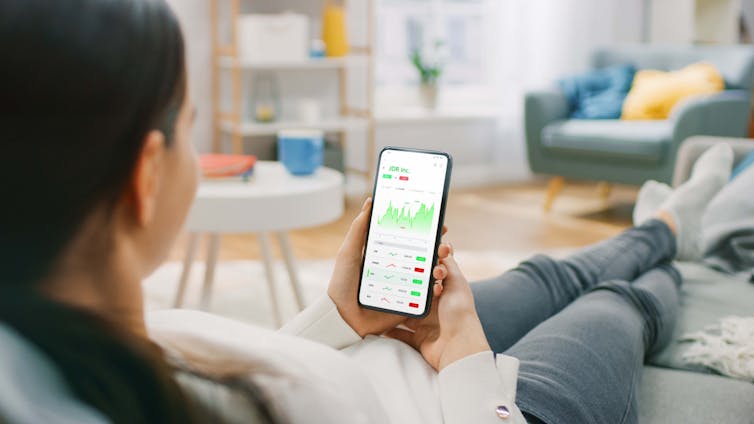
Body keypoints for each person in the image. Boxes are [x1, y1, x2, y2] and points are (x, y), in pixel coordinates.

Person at [0, 1, 736, 423]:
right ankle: (675, 247)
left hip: (382, 352)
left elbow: (254, 378)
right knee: (617, 301)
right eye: (192, 127)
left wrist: (342, 316)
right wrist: (468, 360)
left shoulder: (52, 343)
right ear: (146, 176)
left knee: (547, 274)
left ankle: (666, 223)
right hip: (476, 406)